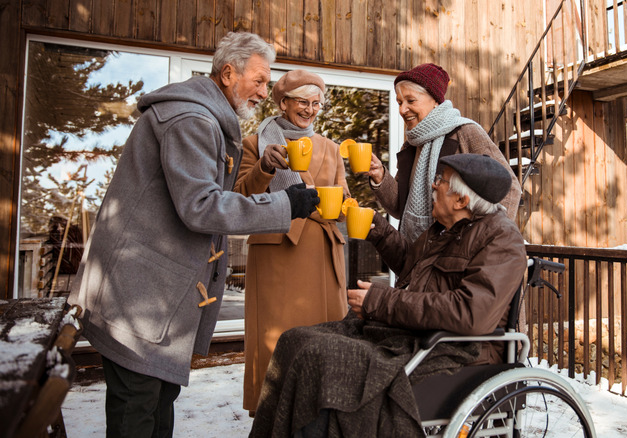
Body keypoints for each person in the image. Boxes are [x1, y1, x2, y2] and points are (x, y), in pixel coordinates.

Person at [67, 32, 320, 438]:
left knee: (156, 404)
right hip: (140, 300)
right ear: (227, 73)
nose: (263, 90)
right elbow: (201, 206)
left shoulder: (203, 117)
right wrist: (285, 206)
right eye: (258, 80)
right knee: (139, 409)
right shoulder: (192, 120)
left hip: (153, 299)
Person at [250, 154, 527, 438]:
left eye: (440, 181)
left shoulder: (501, 238)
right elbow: (412, 265)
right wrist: (379, 230)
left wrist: (381, 302)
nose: (433, 186)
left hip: (456, 351)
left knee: (321, 358)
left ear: (461, 200)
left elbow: (472, 313)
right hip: (413, 335)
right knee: (294, 340)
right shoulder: (444, 230)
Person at [234, 69, 350, 415]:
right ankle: (273, 414)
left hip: (321, 254)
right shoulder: (255, 144)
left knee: (323, 338)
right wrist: (264, 169)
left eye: (316, 103)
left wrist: (347, 206)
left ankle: (320, 413)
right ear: (283, 103)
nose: (310, 109)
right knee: (277, 340)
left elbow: (342, 205)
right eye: (303, 101)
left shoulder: (330, 148)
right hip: (277, 254)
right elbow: (238, 197)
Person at [366, 63, 522, 242]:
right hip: (416, 255)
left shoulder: (464, 132)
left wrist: (482, 241)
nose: (402, 110)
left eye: (411, 101)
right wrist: (379, 176)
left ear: (435, 101)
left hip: (455, 253)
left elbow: (510, 188)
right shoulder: (411, 145)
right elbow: (398, 207)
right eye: (400, 102)